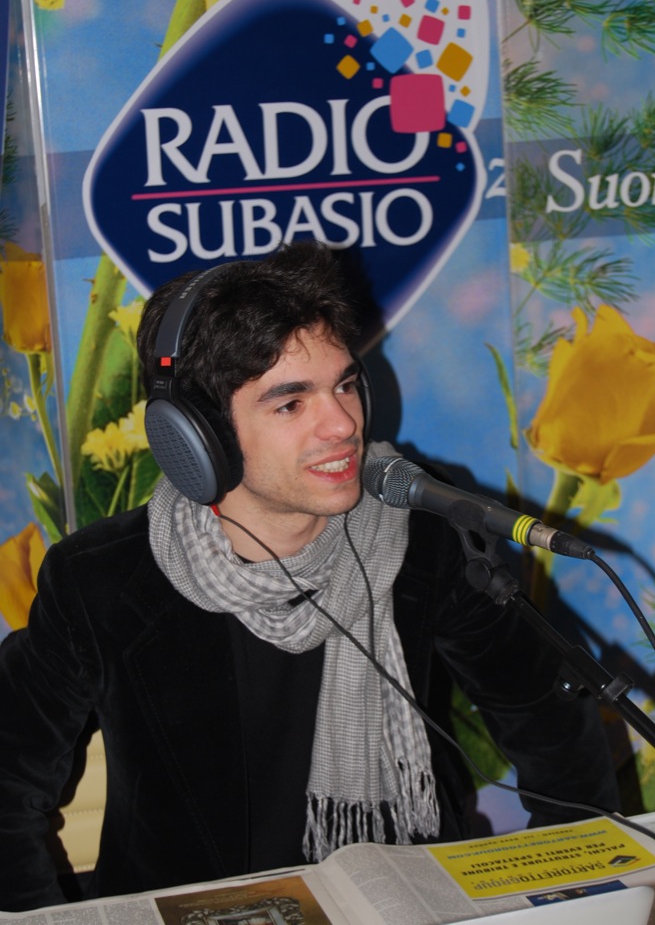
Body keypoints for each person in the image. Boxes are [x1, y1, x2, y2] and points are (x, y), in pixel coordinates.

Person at [0, 242, 620, 912]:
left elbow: (546, 713)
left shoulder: (419, 531)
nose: (343, 425)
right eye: (290, 404)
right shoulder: (102, 579)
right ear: (197, 435)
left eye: (345, 385)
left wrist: (574, 893)